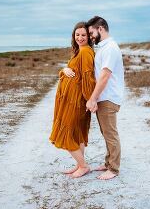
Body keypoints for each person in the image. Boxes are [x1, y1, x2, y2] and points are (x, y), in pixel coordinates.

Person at [49, 21, 96, 178]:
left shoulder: (85, 52)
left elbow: (88, 79)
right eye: (77, 35)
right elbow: (73, 72)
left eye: (83, 35)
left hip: (76, 101)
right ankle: (79, 164)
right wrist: (64, 69)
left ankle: (83, 166)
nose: (80, 37)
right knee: (77, 133)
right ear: (73, 36)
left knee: (67, 133)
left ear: (88, 37)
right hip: (70, 99)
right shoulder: (79, 51)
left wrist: (91, 100)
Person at [84, 16, 125, 180]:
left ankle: (114, 169)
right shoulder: (103, 47)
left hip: (108, 97)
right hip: (104, 97)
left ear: (100, 28)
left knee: (110, 134)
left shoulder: (110, 48)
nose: (91, 36)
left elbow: (104, 76)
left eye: (91, 32)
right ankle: (108, 163)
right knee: (105, 132)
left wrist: (92, 98)